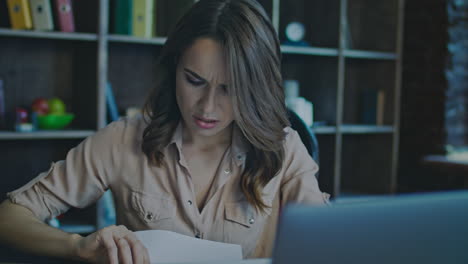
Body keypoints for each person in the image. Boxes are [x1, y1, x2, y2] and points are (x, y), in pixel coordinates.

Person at [0, 0, 329, 263]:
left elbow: (326, 239)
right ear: (174, 68)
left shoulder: (283, 148)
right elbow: (10, 217)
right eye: (194, 81)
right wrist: (78, 246)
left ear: (255, 88)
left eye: (230, 89)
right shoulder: (122, 140)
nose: (207, 107)